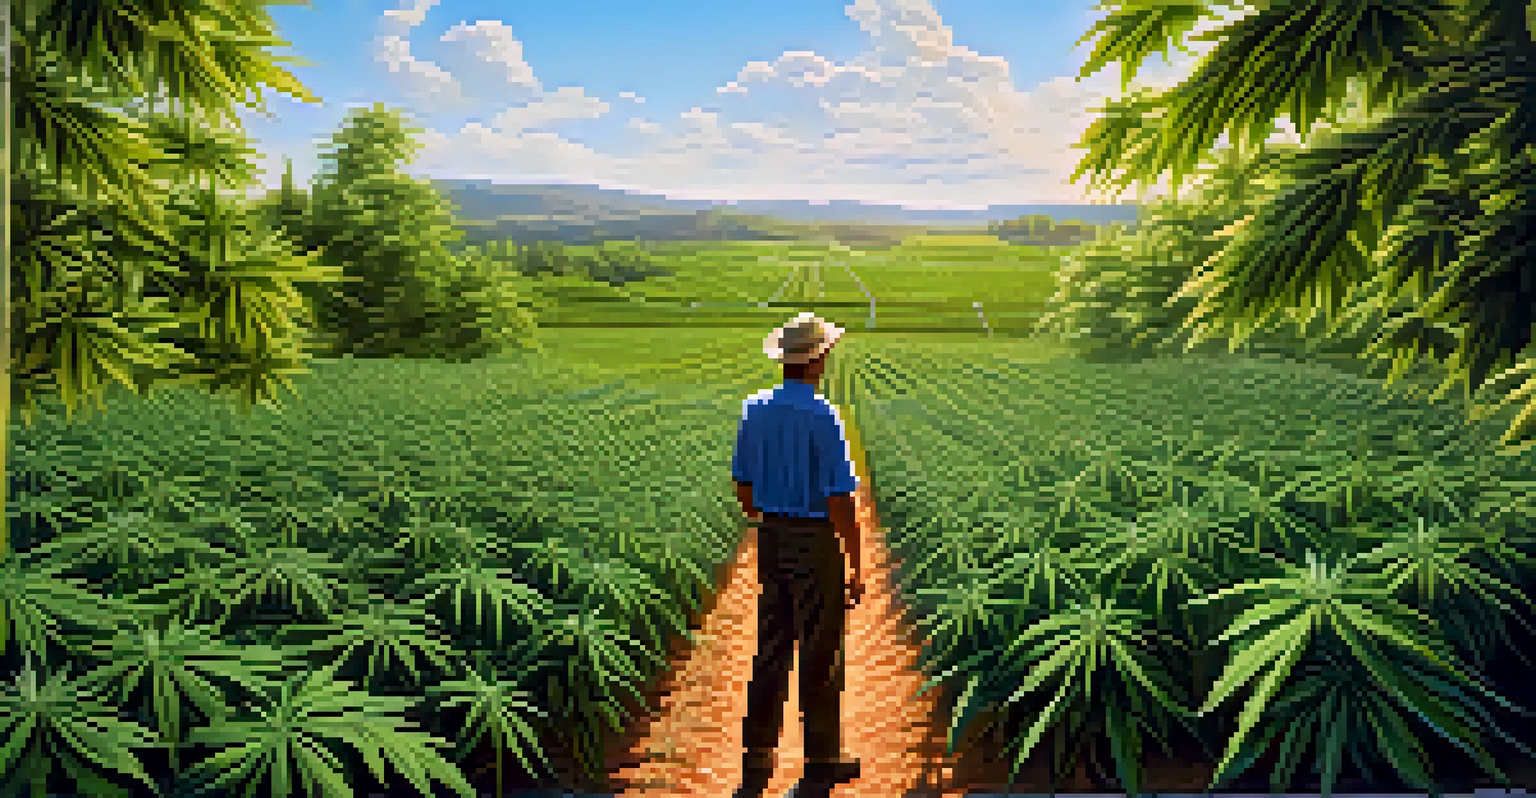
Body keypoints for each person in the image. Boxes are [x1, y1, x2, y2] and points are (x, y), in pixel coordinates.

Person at [730, 312, 864, 798]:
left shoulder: (754, 409)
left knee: (771, 647)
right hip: (815, 540)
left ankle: (757, 755)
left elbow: (743, 489)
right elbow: (840, 500)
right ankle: (822, 760)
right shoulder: (822, 415)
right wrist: (854, 560)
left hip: (772, 537)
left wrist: (771, 515)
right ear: (820, 358)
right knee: (821, 650)